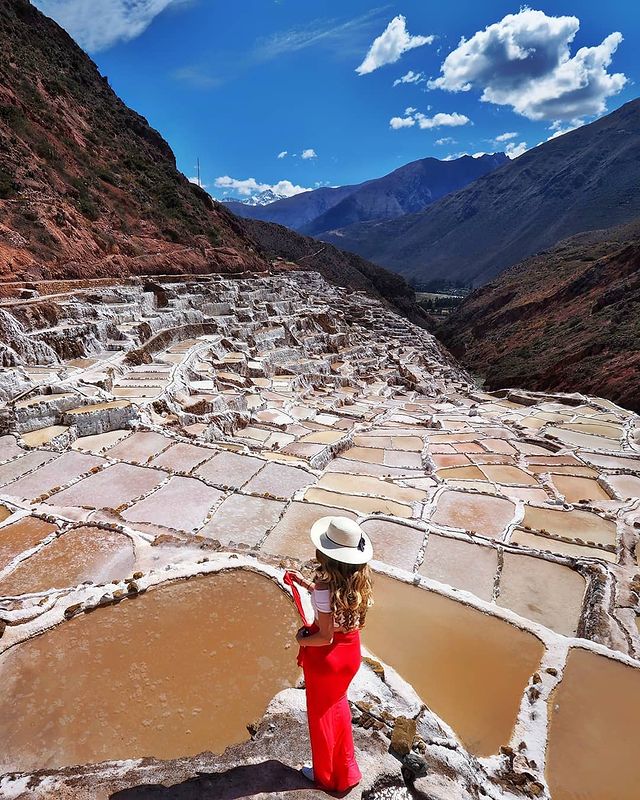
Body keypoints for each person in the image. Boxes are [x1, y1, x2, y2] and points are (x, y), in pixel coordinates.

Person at [288, 516, 374, 793]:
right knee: (339, 710)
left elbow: (324, 637)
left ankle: (325, 775)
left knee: (321, 716)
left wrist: (300, 637)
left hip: (328, 660)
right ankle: (346, 771)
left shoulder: (326, 589)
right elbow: (335, 609)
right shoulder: (357, 582)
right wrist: (307, 585)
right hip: (349, 655)